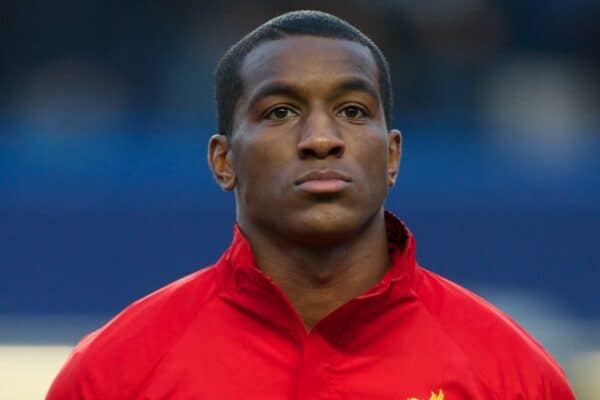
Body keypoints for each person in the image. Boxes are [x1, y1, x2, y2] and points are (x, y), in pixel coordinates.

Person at [47, 10, 575, 399]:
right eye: (280, 112)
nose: (321, 138)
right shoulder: (113, 374)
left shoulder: (513, 377)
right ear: (223, 161)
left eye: (351, 109)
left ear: (391, 155)